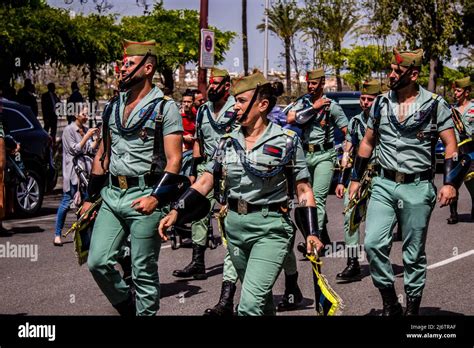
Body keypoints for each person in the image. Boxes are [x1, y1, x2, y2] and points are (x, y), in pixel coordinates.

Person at [159, 72, 324, 316]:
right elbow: (206, 181)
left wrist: (312, 232)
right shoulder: (226, 142)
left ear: (263, 105)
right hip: (235, 231)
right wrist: (176, 211)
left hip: (270, 231)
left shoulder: (286, 140)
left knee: (247, 307)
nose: (235, 106)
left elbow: (303, 189)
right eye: (235, 100)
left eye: (242, 101)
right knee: (262, 304)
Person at [349, 48, 460, 316]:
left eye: (396, 71)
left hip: (418, 187)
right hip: (384, 184)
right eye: (391, 69)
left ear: (413, 74)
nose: (390, 75)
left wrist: (449, 183)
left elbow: (450, 145)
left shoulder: (434, 104)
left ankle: (411, 308)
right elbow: (367, 142)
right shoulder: (380, 103)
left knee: (412, 254)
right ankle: (390, 301)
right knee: (373, 244)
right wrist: (354, 178)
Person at [82, 39, 185, 316]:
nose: (122, 70)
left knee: (143, 271)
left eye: (128, 65)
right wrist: (89, 197)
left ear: (148, 68)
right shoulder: (113, 106)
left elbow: (175, 159)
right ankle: (128, 308)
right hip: (113, 195)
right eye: (122, 64)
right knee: (98, 262)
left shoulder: (165, 107)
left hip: (145, 195)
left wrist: (156, 197)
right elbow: (102, 154)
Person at [276, 68, 348, 312]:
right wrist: (313, 107)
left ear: (323, 83)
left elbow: (347, 132)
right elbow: (289, 119)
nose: (310, 86)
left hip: (326, 155)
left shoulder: (332, 106)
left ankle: (313, 239)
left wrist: (346, 153)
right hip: (305, 154)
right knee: (305, 201)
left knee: (316, 198)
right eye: (307, 83)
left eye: (314, 83)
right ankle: (320, 232)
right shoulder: (304, 103)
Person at [172, 67, 239, 313]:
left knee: (230, 216)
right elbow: (198, 139)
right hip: (206, 167)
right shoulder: (203, 110)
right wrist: (195, 169)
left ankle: (237, 260)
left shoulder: (237, 108)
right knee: (200, 212)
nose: (211, 87)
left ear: (227, 87)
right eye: (210, 83)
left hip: (231, 166)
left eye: (216, 84)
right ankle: (198, 262)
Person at [334, 79, 382, 282]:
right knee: (350, 217)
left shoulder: (388, 121)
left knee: (377, 222)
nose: (365, 102)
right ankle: (353, 263)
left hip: (381, 176)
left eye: (370, 99)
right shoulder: (354, 122)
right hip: (359, 176)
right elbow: (348, 151)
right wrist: (341, 181)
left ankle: (380, 262)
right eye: (363, 98)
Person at [53, 106, 99, 246]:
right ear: (75, 115)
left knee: (85, 204)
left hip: (85, 173)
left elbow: (89, 149)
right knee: (67, 202)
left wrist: (97, 139)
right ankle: (57, 234)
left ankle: (83, 236)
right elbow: (74, 150)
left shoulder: (85, 129)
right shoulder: (68, 130)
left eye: (87, 113)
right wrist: (87, 136)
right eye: (83, 114)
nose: (86, 116)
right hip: (73, 173)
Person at [446, 76, 473, 224]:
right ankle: (453, 213)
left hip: (471, 150)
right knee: (453, 181)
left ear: (466, 92)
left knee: (472, 182)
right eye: (454, 91)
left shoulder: (473, 109)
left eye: (458, 90)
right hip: (455, 151)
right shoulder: (451, 111)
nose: (455, 93)